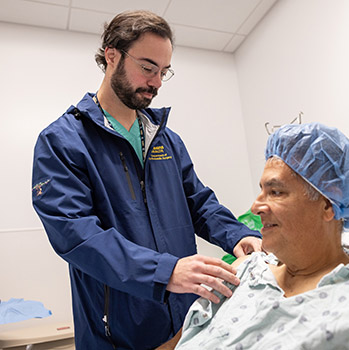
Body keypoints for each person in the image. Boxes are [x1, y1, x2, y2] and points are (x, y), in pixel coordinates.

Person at [31, 10, 261, 349]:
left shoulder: (165, 139)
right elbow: (76, 235)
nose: (155, 81)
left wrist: (238, 235)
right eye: (147, 67)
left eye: (163, 72)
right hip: (116, 331)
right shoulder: (63, 141)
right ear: (112, 56)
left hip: (183, 320)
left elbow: (198, 202)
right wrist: (164, 272)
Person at [159, 123, 349, 350]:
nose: (255, 207)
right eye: (261, 190)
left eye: (275, 192)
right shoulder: (242, 272)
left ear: (327, 205)